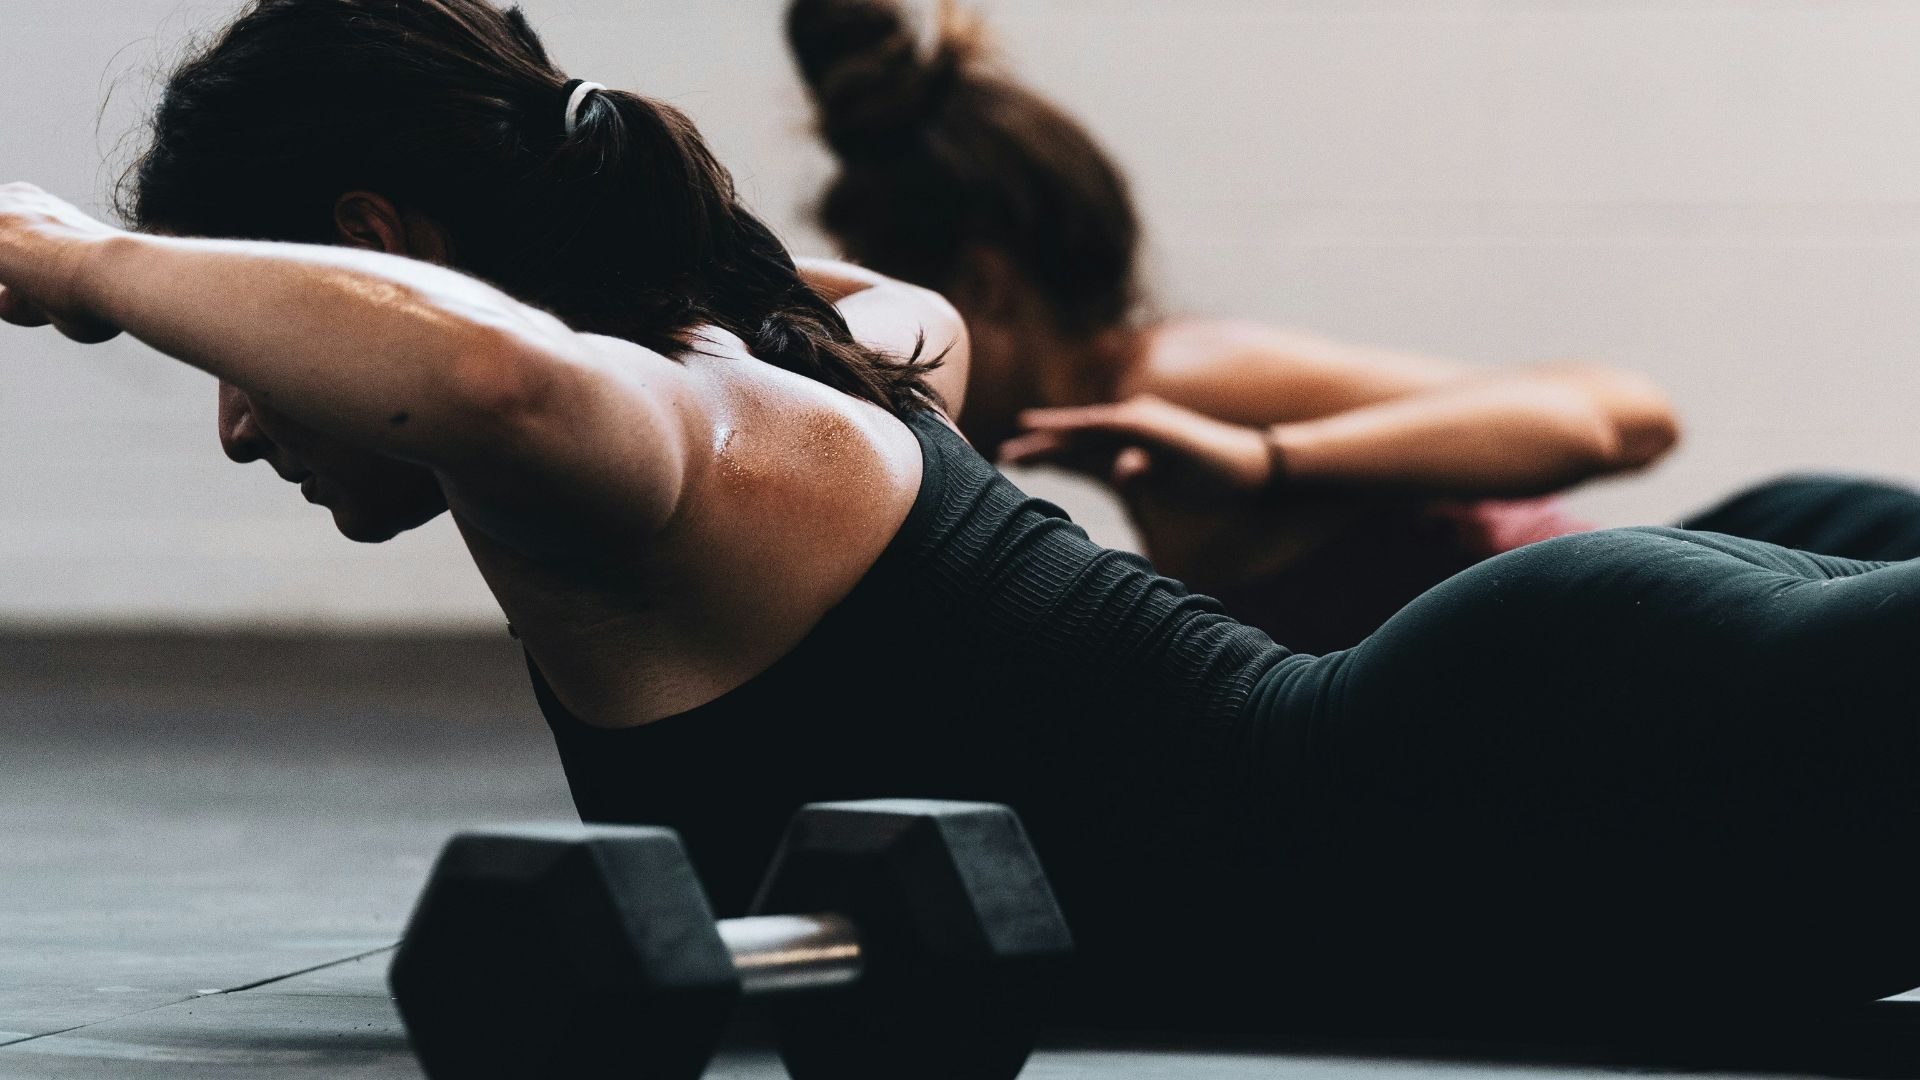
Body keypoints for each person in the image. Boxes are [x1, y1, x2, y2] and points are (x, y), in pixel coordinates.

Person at [7, 0, 1920, 1033]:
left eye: (242, 341)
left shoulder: (649, 438)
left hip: (1538, 796)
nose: (250, 419)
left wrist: (85, 263)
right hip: (1571, 828)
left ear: (376, 254)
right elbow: (707, 306)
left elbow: (498, 375)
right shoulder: (820, 346)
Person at [786, 0, 1920, 653]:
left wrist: (1269, 462)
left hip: (1745, 593)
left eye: (902, 319)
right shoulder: (1143, 451)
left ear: (985, 287)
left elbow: (1623, 417)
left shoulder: (1185, 375)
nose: (893, 370)